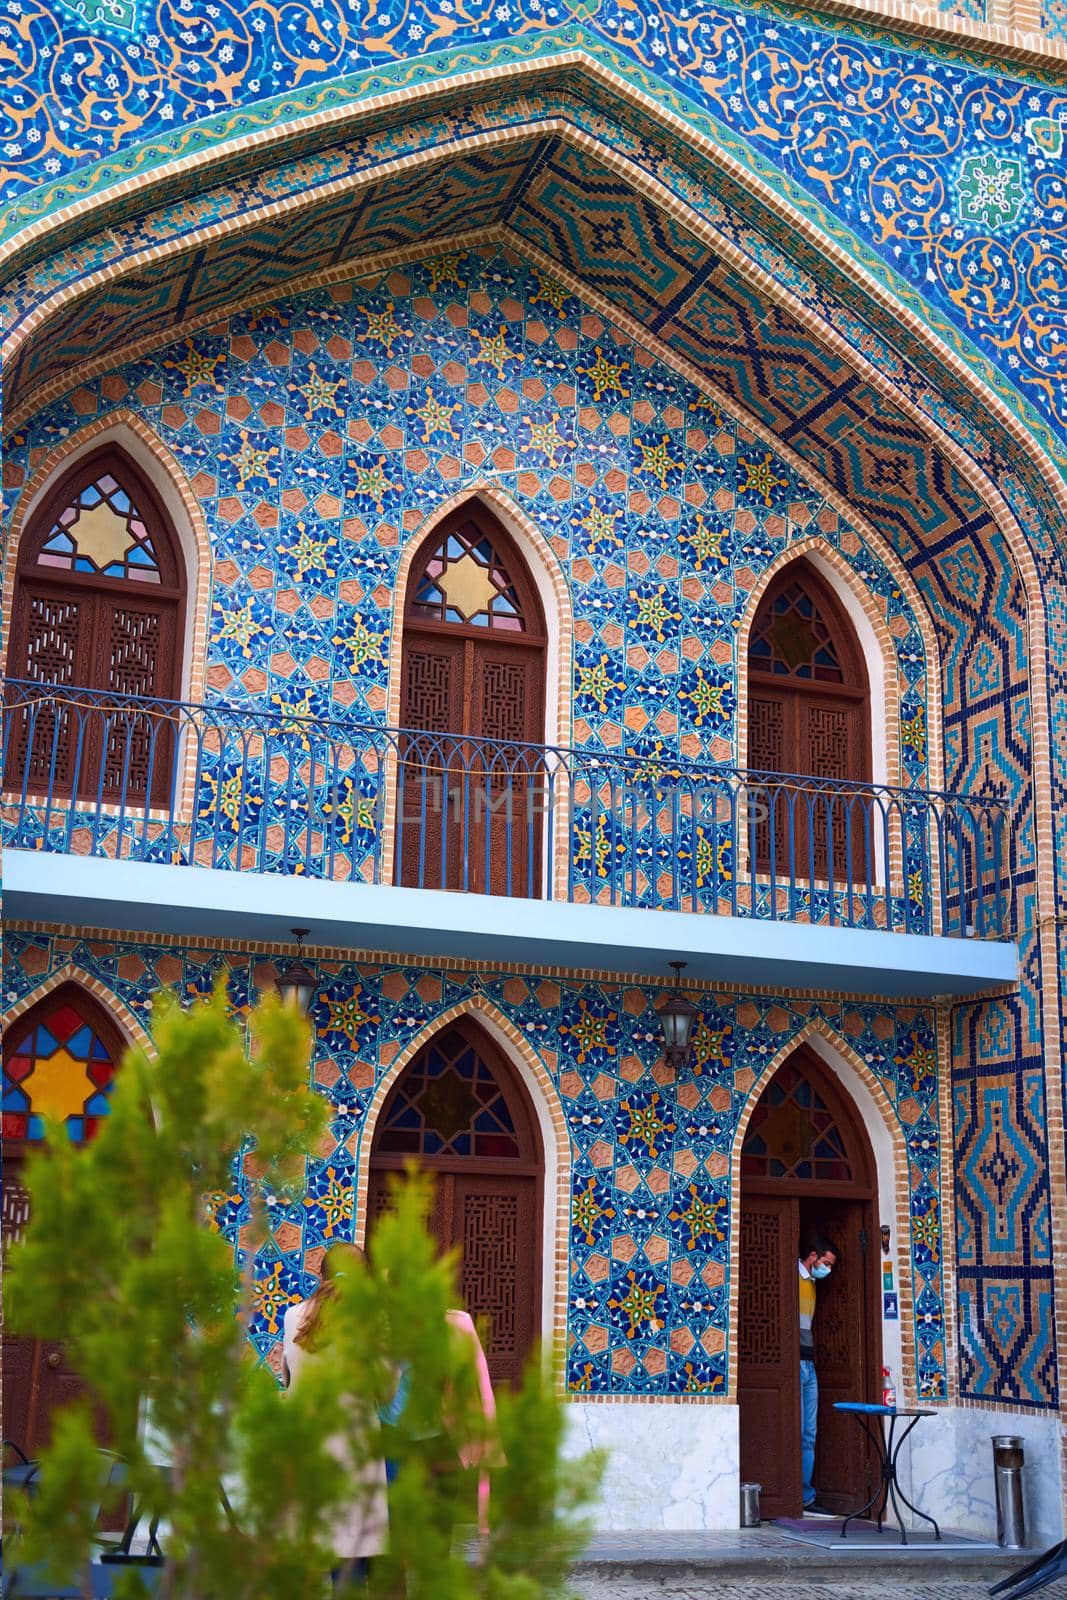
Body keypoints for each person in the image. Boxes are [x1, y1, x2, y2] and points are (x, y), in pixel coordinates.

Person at [282, 1244, 389, 1585]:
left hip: (306, 1446)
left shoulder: (292, 1317)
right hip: (355, 1449)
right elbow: (385, 1390)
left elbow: (288, 1376)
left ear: (320, 1275)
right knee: (350, 1556)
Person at [798, 1231, 839, 1518]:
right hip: (792, 1364)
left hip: (808, 1364)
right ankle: (792, 1494)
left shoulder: (812, 1283)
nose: (828, 1269)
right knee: (796, 1429)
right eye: (826, 1262)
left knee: (809, 1433)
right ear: (812, 1257)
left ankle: (806, 1496)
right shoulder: (789, 1276)